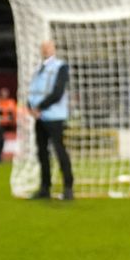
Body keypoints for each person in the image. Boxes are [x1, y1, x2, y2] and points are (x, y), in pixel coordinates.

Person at [28, 40, 74, 200]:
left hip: (54, 116)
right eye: (43, 48)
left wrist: (39, 107)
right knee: (42, 152)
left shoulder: (61, 67)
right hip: (40, 117)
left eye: (48, 47)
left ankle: (68, 187)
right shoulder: (38, 69)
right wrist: (30, 107)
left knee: (60, 151)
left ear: (54, 49)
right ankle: (45, 187)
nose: (46, 50)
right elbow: (32, 91)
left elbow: (58, 92)